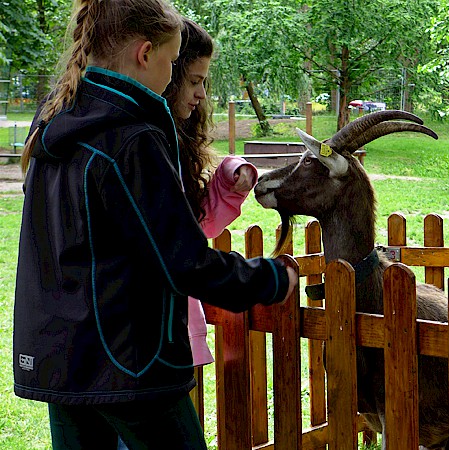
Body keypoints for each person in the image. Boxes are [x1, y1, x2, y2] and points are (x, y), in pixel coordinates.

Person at [12, 1, 297, 449]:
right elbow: (185, 262)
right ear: (145, 54)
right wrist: (273, 278)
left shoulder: (55, 119)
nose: (173, 73)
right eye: (171, 58)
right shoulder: (132, 137)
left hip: (61, 358)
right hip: (130, 365)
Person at [164, 18, 256, 368]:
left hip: (171, 332)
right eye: (194, 81)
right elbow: (181, 248)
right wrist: (267, 279)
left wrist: (229, 176)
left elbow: (197, 224)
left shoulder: (179, 142)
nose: (202, 94)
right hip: (149, 340)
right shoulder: (146, 142)